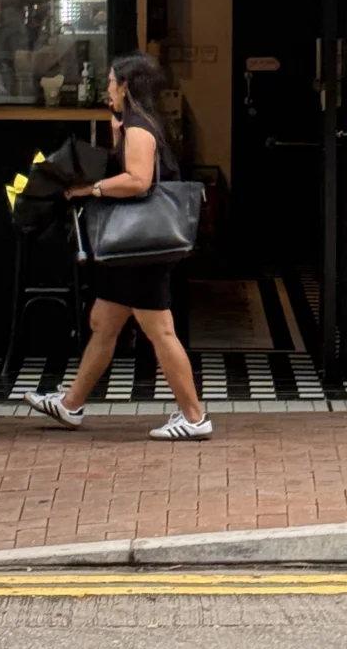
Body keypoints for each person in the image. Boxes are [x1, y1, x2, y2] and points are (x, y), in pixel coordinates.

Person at [25, 51, 212, 441]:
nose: (107, 89)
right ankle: (71, 404)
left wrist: (90, 189)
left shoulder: (139, 128)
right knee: (103, 322)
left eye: (111, 82)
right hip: (132, 250)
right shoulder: (137, 124)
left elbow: (138, 181)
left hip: (141, 250)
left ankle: (194, 418)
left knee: (160, 330)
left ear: (126, 86)